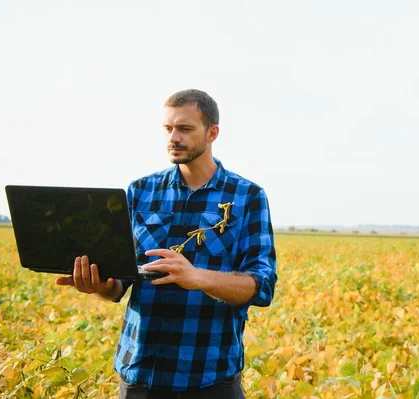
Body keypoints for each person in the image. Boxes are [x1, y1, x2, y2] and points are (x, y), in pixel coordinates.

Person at [56, 89, 278, 398]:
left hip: (210, 376)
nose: (174, 137)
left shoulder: (246, 197)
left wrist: (197, 278)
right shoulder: (140, 191)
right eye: (168, 128)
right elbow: (121, 281)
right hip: (140, 373)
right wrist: (99, 285)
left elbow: (262, 285)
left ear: (212, 133)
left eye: (185, 129)